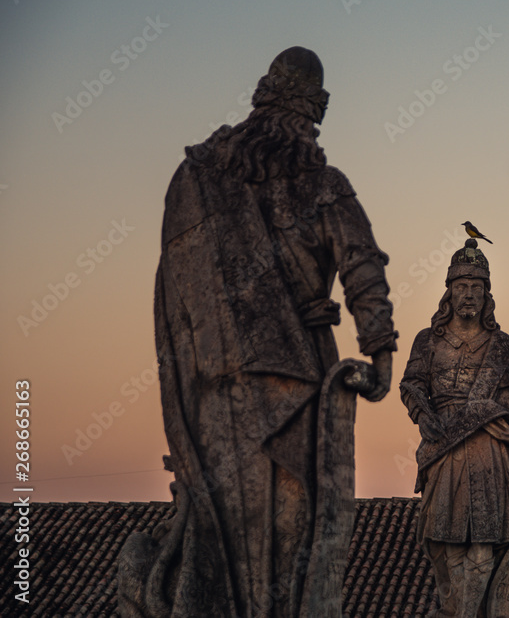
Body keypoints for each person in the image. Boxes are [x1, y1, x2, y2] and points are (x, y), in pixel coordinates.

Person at [118, 46, 396, 617]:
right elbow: (362, 264)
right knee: (296, 539)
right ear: (310, 118)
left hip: (214, 392)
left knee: (223, 530)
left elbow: (178, 296)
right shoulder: (322, 186)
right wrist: (380, 351)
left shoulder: (195, 179)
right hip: (298, 385)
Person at [400, 239, 509, 617]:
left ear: (487, 295)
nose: (468, 294)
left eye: (476, 287)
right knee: (444, 544)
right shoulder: (428, 341)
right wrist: (424, 416)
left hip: (490, 450)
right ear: (449, 293)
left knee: (484, 544)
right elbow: (411, 385)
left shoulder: (502, 347)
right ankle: (456, 608)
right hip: (444, 448)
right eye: (461, 286)